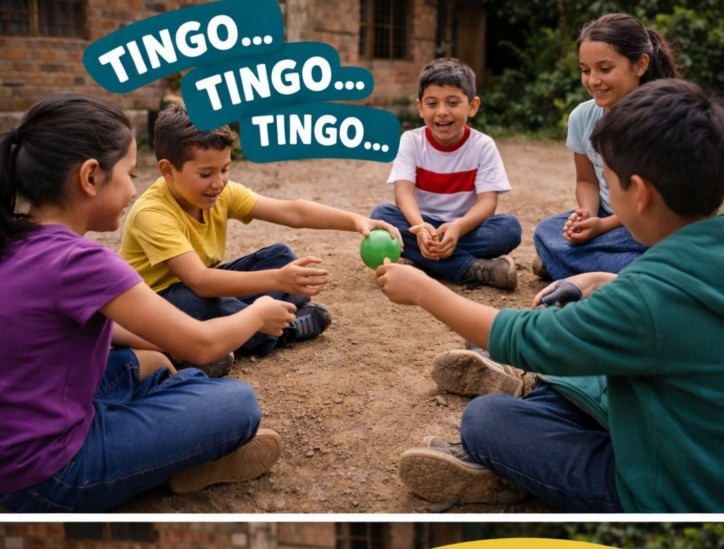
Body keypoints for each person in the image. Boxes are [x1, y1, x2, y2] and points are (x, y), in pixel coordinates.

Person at [377, 79, 724, 513]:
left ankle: (511, 447)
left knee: (487, 420)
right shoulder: (676, 269)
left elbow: (529, 336)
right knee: (590, 364)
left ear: (640, 191)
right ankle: (529, 389)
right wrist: (600, 278)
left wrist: (424, 290)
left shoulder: (645, 299)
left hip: (672, 490)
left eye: (609, 182)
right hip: (686, 430)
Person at [0, 92, 296, 514]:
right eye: (127, 173)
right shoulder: (81, 260)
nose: (133, 188)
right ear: (89, 177)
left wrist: (157, 346)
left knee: (146, 361)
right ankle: (184, 452)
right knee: (237, 404)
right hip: (43, 472)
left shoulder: (16, 236)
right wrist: (257, 313)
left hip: (20, 427)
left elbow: (100, 329)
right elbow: (202, 345)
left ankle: (172, 424)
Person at [120, 103, 402, 372]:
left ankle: (235, 328)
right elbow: (201, 282)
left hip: (204, 286)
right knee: (196, 301)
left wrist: (355, 220)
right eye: (206, 173)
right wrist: (278, 281)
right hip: (162, 303)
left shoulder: (219, 192)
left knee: (280, 257)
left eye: (225, 169)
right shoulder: (152, 212)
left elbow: (293, 212)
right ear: (168, 170)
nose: (218, 183)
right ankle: (279, 330)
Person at [533, 12, 681, 281]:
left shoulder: (660, 119)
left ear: (640, 65)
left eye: (605, 69)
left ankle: (582, 268)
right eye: (585, 70)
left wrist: (603, 226)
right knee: (546, 231)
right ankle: (636, 277)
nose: (593, 81)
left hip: (654, 222)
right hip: (610, 223)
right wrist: (588, 216)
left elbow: (655, 201)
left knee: (666, 245)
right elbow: (587, 181)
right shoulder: (582, 117)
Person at [369, 57, 521, 289]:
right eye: (432, 104)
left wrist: (458, 228)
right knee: (382, 216)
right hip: (421, 225)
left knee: (509, 229)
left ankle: (424, 260)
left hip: (465, 229)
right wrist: (420, 228)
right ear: (420, 108)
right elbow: (403, 194)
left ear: (472, 106)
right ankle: (473, 268)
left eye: (452, 103)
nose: (441, 112)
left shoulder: (483, 146)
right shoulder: (410, 141)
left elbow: (488, 203)